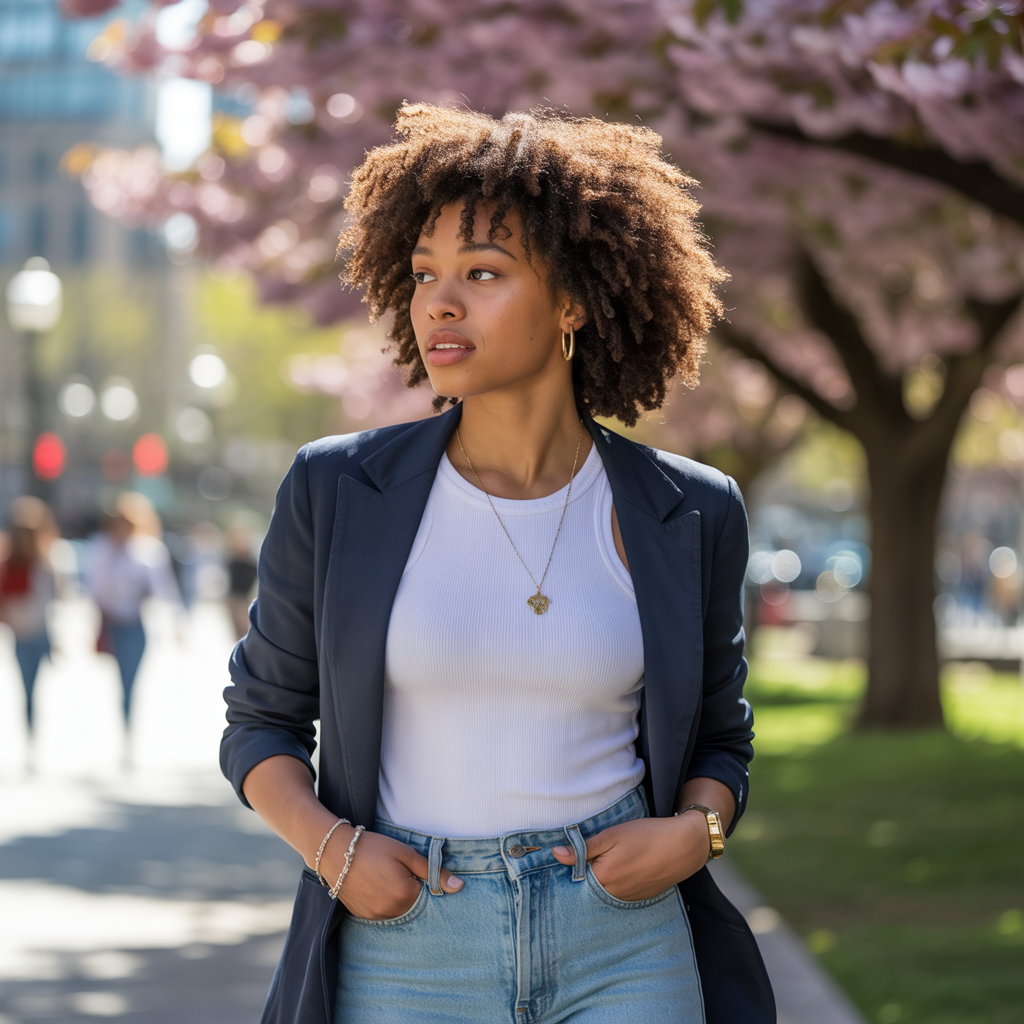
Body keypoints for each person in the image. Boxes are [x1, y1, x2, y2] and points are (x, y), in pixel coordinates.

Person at [221, 105, 773, 1024]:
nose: (439, 302)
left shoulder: (690, 509)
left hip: (623, 940)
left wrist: (696, 833)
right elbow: (260, 724)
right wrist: (334, 853)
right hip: (408, 945)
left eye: (482, 273)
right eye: (423, 274)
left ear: (572, 301)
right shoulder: (337, 489)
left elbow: (722, 732)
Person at [85, 492, 182, 727]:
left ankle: (128, 724)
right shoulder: (101, 549)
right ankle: (122, 721)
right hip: (111, 623)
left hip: (134, 624)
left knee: (130, 679)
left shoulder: (148, 551)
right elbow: (93, 588)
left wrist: (176, 624)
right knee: (117, 678)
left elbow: (165, 591)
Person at [0, 496, 59, 735]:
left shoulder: (47, 562)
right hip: (21, 634)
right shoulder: (8, 565)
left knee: (42, 686)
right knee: (27, 686)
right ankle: (30, 730)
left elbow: (54, 601)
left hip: (41, 632)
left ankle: (38, 730)